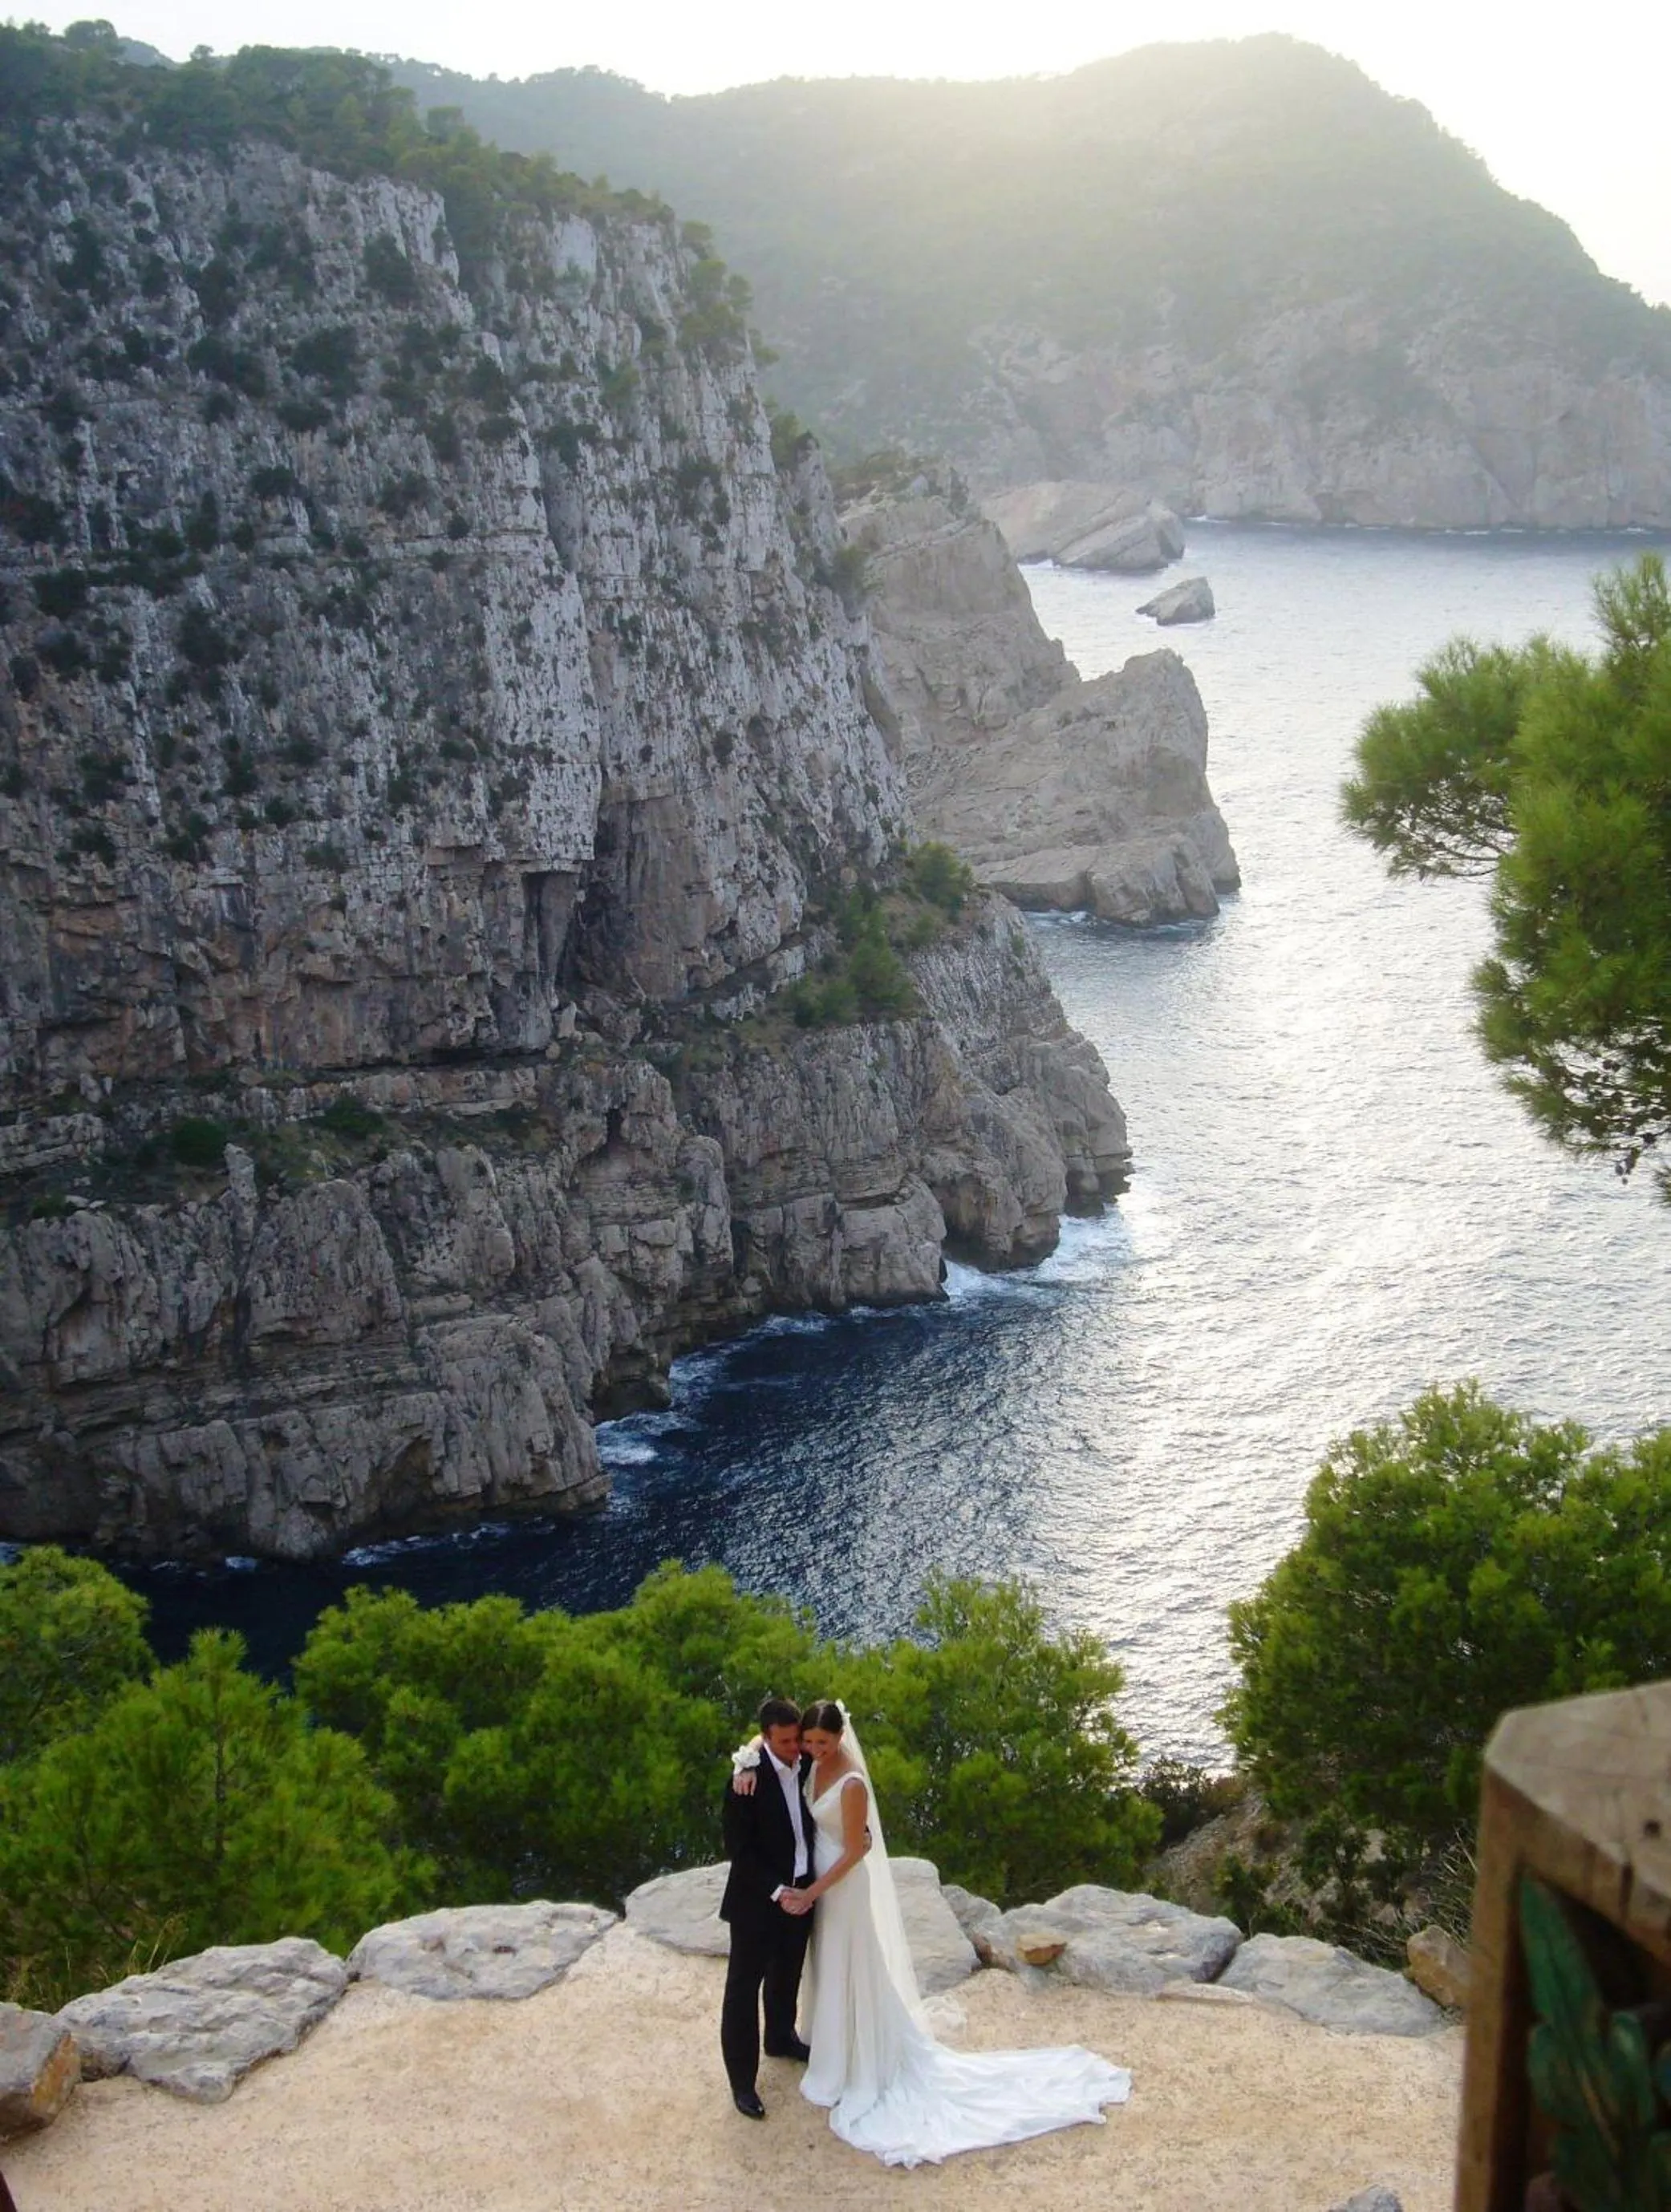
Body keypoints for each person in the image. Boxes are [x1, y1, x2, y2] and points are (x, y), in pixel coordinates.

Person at [733, 1698, 1131, 2166]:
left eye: (821, 1742)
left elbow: (859, 1848)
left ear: (841, 1738)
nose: (810, 1750)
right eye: (806, 1741)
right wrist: (743, 1759)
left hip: (837, 1890)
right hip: (812, 1893)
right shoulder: (802, 1761)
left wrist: (814, 1891)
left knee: (850, 1963)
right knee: (827, 1966)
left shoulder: (851, 1780)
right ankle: (830, 2050)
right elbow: (768, 1741)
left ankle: (857, 2061)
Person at [717, 1694, 820, 2120]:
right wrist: (777, 1892)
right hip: (758, 1903)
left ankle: (780, 2037)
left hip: (802, 1894)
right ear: (765, 1739)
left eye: (796, 1739)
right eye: (784, 1742)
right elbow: (739, 1853)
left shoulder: (808, 1761)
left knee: (787, 1975)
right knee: (743, 1990)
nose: (794, 1748)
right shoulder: (746, 1781)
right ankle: (742, 2083)